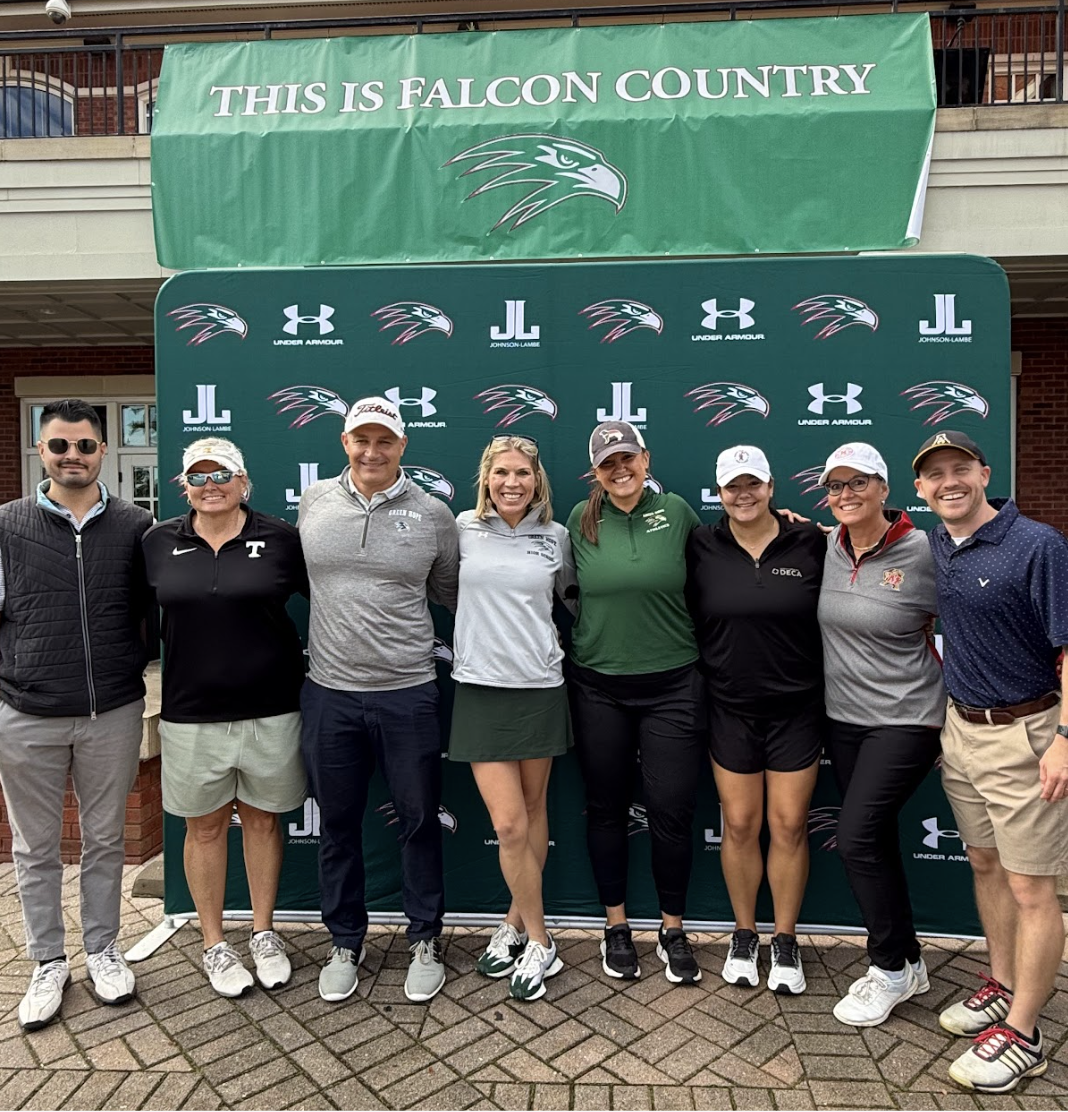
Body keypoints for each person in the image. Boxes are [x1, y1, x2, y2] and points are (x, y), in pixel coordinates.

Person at [912, 429, 1068, 1094]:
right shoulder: (938, 545)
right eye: (933, 474)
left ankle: (1026, 1035)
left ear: (983, 473)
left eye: (959, 469)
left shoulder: (1037, 545)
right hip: (963, 728)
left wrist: (1064, 736)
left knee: (1034, 889)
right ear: (919, 490)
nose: (948, 482)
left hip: (1028, 732)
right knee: (984, 862)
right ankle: (1004, 987)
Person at [299, 396, 459, 1005]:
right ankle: (346, 940)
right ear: (345, 443)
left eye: (384, 441)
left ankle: (424, 938)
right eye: (361, 440)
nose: (372, 451)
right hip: (330, 695)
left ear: (402, 446)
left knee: (419, 822)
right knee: (337, 826)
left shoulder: (433, 514)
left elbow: (448, 593)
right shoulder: (314, 502)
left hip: (408, 694)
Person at [0, 399, 152, 1031]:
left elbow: (154, 613)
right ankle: (47, 961)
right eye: (59, 445)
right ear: (41, 451)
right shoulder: (5, 524)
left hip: (111, 709)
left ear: (102, 451)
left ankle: (102, 949)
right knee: (35, 847)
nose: (72, 456)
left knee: (106, 841)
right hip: (26, 711)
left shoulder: (137, 526)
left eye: (85, 446)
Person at [141, 438, 308, 998]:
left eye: (223, 474)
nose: (210, 485)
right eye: (198, 476)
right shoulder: (157, 541)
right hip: (190, 715)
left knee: (262, 822)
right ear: (183, 484)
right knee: (204, 828)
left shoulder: (281, 539)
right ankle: (214, 943)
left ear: (244, 481)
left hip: (271, 709)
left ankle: (263, 933)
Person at [567, 420, 704, 986]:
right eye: (607, 464)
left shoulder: (678, 512)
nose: (619, 470)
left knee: (671, 810)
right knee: (605, 808)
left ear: (645, 459)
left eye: (627, 458)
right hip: (598, 684)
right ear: (595, 472)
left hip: (674, 684)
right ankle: (615, 926)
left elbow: (728, 558)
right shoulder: (580, 518)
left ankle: (673, 928)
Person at [686, 445, 825, 995]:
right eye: (732, 488)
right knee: (740, 825)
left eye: (753, 485)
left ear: (772, 487)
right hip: (729, 708)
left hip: (797, 709)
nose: (743, 496)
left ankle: (784, 939)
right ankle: (744, 934)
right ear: (719, 494)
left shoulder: (810, 540)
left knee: (789, 825)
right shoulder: (700, 543)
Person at [815, 442, 944, 1026]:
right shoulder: (828, 546)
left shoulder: (927, 549)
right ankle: (910, 963)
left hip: (908, 719)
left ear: (884, 488)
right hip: (844, 720)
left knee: (859, 836)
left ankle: (889, 968)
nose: (845, 495)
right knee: (877, 838)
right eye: (835, 485)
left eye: (857, 483)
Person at [450, 434, 576, 1001]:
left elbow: (570, 603)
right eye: (501, 472)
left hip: (540, 689)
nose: (512, 483)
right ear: (486, 478)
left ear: (537, 481)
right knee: (506, 825)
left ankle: (513, 922)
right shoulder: (461, 529)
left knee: (531, 811)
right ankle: (543, 940)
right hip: (479, 689)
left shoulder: (557, 538)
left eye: (523, 473)